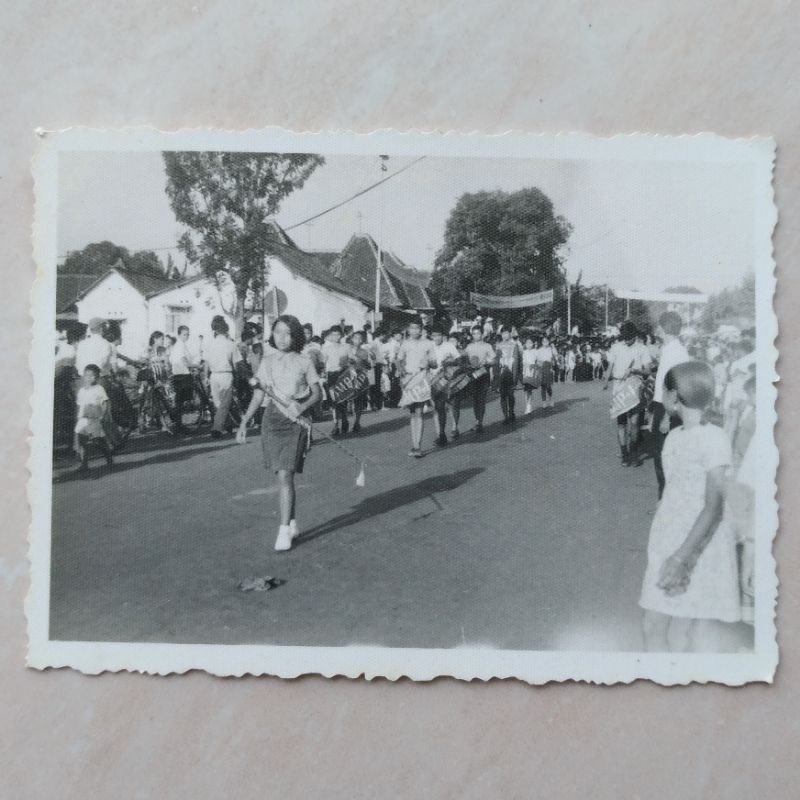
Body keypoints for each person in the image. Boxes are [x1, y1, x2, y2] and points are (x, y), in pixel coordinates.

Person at [639, 361, 740, 651]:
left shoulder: (714, 438)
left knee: (700, 635)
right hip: (669, 539)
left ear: (674, 395)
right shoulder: (674, 437)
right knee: (652, 624)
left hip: (702, 545)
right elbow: (673, 490)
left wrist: (681, 557)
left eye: (664, 391)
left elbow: (713, 506)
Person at [237, 315, 322, 552]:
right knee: (282, 475)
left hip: (296, 421)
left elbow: (318, 393)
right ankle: (291, 522)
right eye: (277, 332)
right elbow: (259, 394)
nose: (282, 338)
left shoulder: (305, 361)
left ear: (296, 336)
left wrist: (302, 407)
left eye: (288, 333)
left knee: (286, 474)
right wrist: (244, 421)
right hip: (273, 420)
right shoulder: (267, 362)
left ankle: (283, 529)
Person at [651, 311, 690, 498]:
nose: (657, 328)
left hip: (669, 409)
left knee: (664, 456)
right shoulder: (669, 350)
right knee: (661, 455)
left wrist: (667, 416)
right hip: (662, 405)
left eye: (659, 325)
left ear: (664, 328)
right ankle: (665, 498)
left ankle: (666, 501)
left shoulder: (677, 352)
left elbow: (678, 385)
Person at [604, 320, 652, 466]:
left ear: (635, 336)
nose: (625, 340)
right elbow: (610, 367)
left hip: (634, 387)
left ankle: (634, 453)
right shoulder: (616, 347)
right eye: (623, 337)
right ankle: (624, 454)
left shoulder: (642, 349)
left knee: (635, 423)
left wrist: (635, 370)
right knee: (621, 423)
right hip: (619, 387)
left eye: (628, 338)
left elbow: (648, 371)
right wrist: (606, 381)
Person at [396, 317, 435, 457]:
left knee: (419, 411)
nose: (415, 331)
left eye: (417, 328)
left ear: (421, 329)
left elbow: (435, 363)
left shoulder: (429, 344)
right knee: (412, 412)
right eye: (412, 328)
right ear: (408, 329)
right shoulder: (405, 344)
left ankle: (417, 446)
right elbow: (398, 360)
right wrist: (401, 370)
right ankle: (415, 445)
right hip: (409, 380)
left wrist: (429, 363)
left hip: (422, 380)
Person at [205, 317, 241, 438]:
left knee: (217, 403)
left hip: (213, 375)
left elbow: (206, 362)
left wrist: (206, 376)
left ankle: (227, 424)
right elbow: (236, 363)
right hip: (226, 374)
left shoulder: (210, 344)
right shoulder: (230, 344)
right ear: (226, 330)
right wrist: (237, 374)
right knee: (225, 403)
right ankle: (217, 428)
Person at [74, 364, 113, 473]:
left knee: (98, 441)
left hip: (95, 418)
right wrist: (78, 417)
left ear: (97, 377)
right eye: (87, 375)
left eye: (93, 376)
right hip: (83, 419)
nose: (89, 378)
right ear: (83, 376)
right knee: (82, 441)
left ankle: (109, 458)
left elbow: (104, 402)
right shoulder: (81, 391)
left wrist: (103, 415)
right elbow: (80, 406)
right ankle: (84, 464)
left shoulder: (99, 389)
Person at [429, 327, 461, 446]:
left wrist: (449, 362)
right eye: (434, 336)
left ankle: (451, 429)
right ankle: (441, 434)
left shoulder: (449, 346)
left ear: (442, 336)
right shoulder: (429, 347)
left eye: (438, 335)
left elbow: (459, 360)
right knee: (438, 408)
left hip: (447, 379)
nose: (436, 338)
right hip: (433, 379)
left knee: (448, 406)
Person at [321, 325, 352, 436]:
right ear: (330, 336)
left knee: (343, 400)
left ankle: (344, 420)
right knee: (334, 401)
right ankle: (336, 425)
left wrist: (348, 366)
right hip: (332, 375)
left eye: (338, 334)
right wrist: (323, 375)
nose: (336, 337)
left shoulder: (347, 347)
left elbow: (351, 360)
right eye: (333, 335)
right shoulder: (326, 348)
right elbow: (323, 364)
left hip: (344, 375)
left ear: (341, 335)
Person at [465, 326, 495, 433]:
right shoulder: (469, 347)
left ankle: (480, 422)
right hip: (473, 376)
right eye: (474, 334)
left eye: (478, 333)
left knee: (481, 399)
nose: (476, 336)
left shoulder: (488, 346)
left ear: (482, 334)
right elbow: (465, 360)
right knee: (475, 399)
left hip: (483, 375)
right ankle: (477, 421)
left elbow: (494, 360)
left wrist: (487, 362)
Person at [169, 325, 197, 434]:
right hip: (182, 375)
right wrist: (194, 366)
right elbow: (183, 360)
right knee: (180, 402)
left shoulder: (181, 345)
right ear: (179, 335)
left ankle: (178, 425)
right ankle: (178, 425)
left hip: (180, 374)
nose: (187, 336)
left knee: (180, 402)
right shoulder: (180, 345)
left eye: (188, 334)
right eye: (185, 334)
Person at [348, 329, 373, 434]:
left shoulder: (364, 351)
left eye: (360, 338)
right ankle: (344, 421)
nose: (357, 340)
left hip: (359, 377)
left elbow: (369, 366)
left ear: (362, 340)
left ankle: (356, 422)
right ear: (352, 339)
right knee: (347, 400)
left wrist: (362, 360)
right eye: (355, 338)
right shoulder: (347, 349)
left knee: (358, 400)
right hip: (347, 378)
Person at [495, 327, 521, 424]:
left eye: (506, 333)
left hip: (511, 372)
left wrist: (517, 377)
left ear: (510, 334)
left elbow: (517, 362)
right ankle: (505, 416)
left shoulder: (515, 345)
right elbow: (496, 361)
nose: (504, 335)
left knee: (510, 394)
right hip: (501, 373)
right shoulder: (498, 346)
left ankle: (511, 412)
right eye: (503, 333)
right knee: (502, 395)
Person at [534, 335, 556, 408]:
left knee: (548, 386)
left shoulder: (551, 349)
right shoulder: (539, 350)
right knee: (543, 386)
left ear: (548, 342)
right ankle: (544, 401)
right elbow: (537, 360)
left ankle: (551, 399)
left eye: (546, 341)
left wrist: (553, 347)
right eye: (544, 341)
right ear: (542, 342)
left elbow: (555, 355)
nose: (545, 342)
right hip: (542, 368)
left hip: (549, 368)